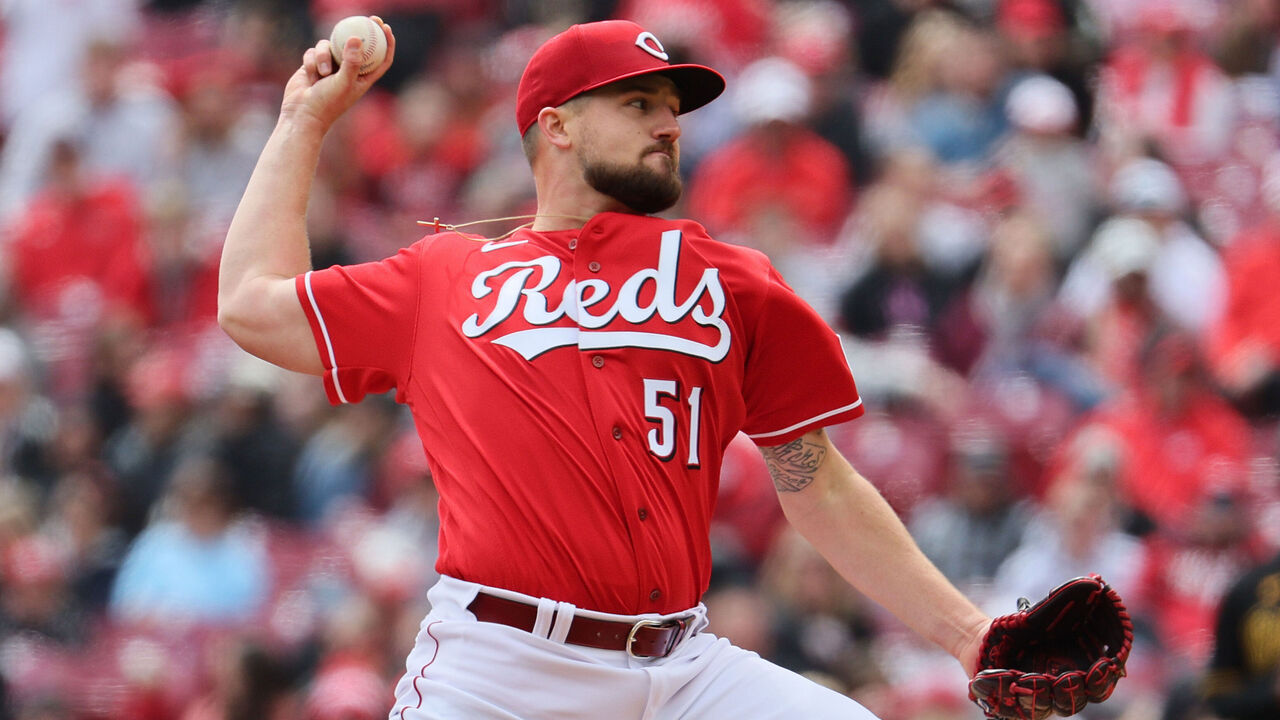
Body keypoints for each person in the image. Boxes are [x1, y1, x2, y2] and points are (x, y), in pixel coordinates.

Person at [217, 18, 992, 718]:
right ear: (556, 126)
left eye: (671, 108)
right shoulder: (443, 278)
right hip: (499, 672)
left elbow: (815, 482)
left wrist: (968, 635)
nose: (668, 124)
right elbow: (252, 305)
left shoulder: (731, 281)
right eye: (638, 104)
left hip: (686, 670)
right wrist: (303, 122)